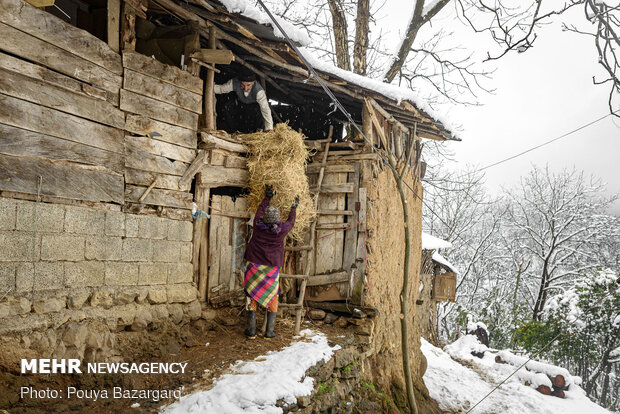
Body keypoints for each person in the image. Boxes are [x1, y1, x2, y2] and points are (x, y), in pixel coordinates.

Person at [243, 184, 298, 339]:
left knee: (251, 293)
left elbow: (260, 211)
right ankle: (269, 331)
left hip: (253, 265)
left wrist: (267, 198)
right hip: (271, 268)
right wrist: (294, 207)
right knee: (273, 294)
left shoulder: (258, 226)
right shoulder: (281, 231)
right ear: (277, 219)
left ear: (264, 219)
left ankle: (251, 331)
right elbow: (291, 221)